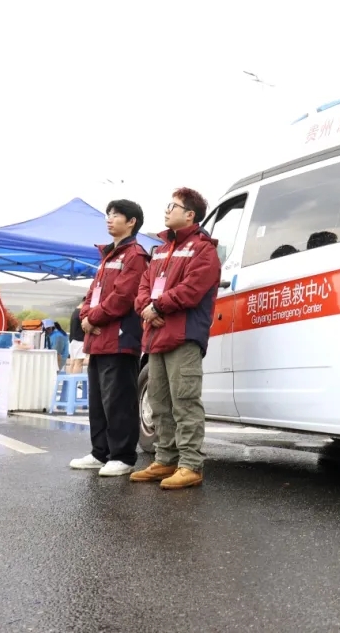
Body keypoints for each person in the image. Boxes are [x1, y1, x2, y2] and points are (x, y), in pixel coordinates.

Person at [130, 188, 221, 490]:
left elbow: (192, 289)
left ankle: (190, 464)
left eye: (174, 206)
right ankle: (165, 459)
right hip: (156, 335)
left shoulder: (203, 249)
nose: (167, 210)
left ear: (190, 215)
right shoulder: (159, 250)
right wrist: (147, 308)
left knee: (185, 401)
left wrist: (157, 307)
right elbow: (143, 286)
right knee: (159, 402)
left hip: (183, 336)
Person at [70, 199, 150, 477]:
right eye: (108, 214)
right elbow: (92, 293)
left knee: (118, 400)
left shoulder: (135, 255)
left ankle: (123, 456)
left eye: (116, 215)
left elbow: (124, 296)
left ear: (132, 222)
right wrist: (85, 315)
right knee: (98, 401)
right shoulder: (108, 256)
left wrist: (93, 318)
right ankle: (99, 452)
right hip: (98, 339)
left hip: (119, 340)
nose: (109, 218)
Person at [67, 303, 86, 374]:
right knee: (79, 363)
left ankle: (70, 379)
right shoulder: (81, 313)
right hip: (79, 341)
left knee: (72, 362)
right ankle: (76, 380)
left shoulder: (75, 312)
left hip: (73, 340)